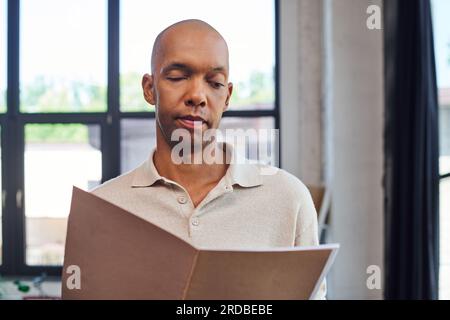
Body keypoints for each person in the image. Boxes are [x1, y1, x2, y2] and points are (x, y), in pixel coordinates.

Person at [91, 19, 326, 299]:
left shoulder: (289, 198)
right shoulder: (102, 209)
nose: (197, 96)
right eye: (178, 77)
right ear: (149, 88)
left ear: (227, 97)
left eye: (214, 83)